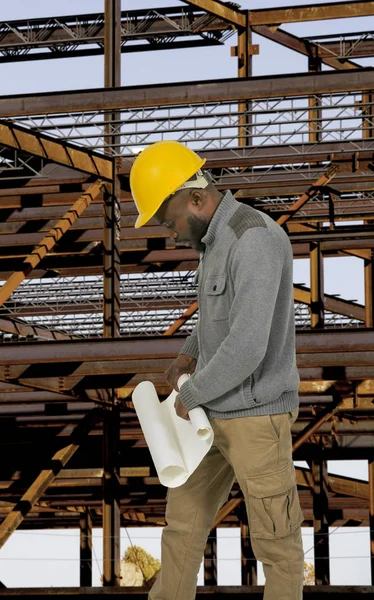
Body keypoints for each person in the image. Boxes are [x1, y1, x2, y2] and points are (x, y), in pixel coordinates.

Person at [130, 140, 305, 600]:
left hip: (255, 416)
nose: (172, 234)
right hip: (209, 417)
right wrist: (189, 352)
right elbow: (220, 320)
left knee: (276, 543)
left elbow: (248, 345)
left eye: (170, 221)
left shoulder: (255, 239)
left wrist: (190, 393)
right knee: (181, 528)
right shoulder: (216, 240)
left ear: (195, 197)